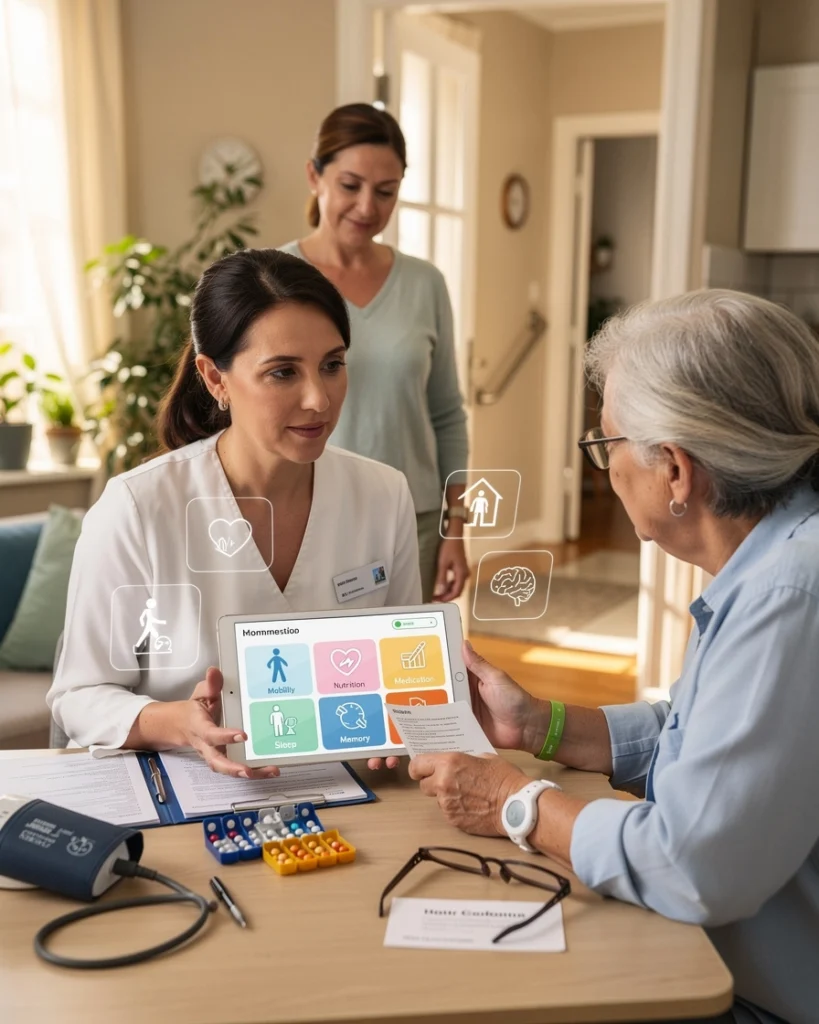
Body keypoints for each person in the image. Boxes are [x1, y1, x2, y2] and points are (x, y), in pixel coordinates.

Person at [409, 290, 819, 1024]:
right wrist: (540, 725)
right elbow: (708, 739)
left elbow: (690, 865)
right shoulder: (774, 560)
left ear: (675, 470)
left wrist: (514, 802)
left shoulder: (787, 595)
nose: (606, 468)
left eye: (607, 444)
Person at [48, 249, 421, 777]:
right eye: (283, 372)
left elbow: (407, 670)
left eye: (332, 365)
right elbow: (78, 696)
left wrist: (411, 712)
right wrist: (178, 722)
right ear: (214, 378)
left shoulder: (385, 493)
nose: (319, 399)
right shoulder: (138, 508)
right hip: (187, 786)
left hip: (351, 783)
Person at [279, 103, 470, 603]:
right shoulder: (273, 278)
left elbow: (447, 414)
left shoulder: (425, 284)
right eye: (350, 185)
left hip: (413, 516)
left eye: (386, 192)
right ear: (314, 176)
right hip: (306, 514)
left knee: (406, 649)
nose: (367, 207)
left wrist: (455, 528)